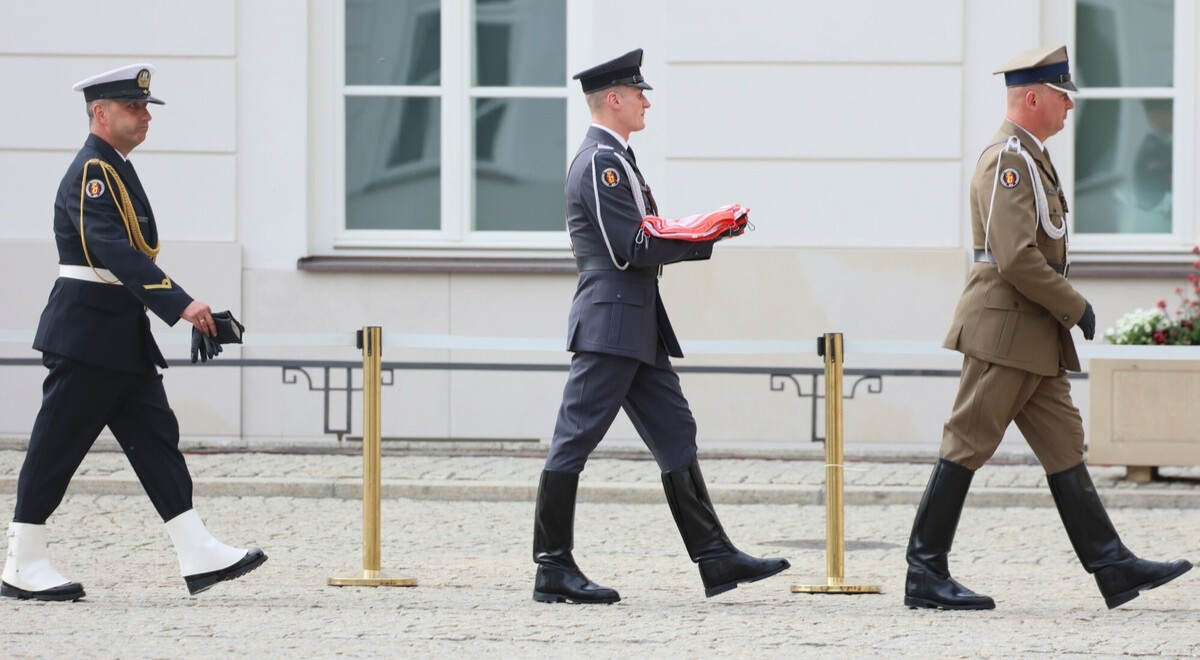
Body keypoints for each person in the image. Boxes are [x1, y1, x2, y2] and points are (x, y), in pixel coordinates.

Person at [904, 46, 1192, 611]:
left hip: (1031, 335)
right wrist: (1074, 304)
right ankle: (924, 572)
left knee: (1064, 447)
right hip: (1005, 332)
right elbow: (1014, 257)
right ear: (1032, 98)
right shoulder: (1008, 160)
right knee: (966, 443)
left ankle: (1112, 566)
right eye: (1063, 96)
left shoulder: (1032, 157)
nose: (1069, 107)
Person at [530, 48, 789, 604]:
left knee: (676, 431)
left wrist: (705, 231)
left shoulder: (618, 158)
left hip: (633, 323)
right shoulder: (599, 162)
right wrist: (704, 233)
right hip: (610, 321)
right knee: (574, 440)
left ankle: (716, 558)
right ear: (614, 99)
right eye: (639, 92)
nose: (647, 101)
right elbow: (632, 247)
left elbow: (644, 232)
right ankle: (552, 567)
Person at [1, 64, 266, 602]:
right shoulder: (92, 173)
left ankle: (196, 550)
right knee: (57, 448)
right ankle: (21, 561)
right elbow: (116, 252)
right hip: (87, 334)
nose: (146, 117)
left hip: (117, 332)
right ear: (100, 113)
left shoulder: (116, 167)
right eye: (134, 108)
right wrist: (182, 304)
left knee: (155, 442)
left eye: (147, 108)